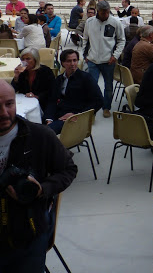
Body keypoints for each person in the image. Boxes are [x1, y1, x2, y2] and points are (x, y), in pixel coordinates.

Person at [0, 81, 78, 273]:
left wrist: (43, 189)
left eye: (9, 104)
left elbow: (68, 169)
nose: (3, 112)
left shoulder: (41, 136)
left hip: (29, 231)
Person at [82, 0, 125, 118]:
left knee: (108, 86)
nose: (105, 15)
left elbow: (121, 40)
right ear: (98, 11)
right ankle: (92, 110)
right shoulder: (90, 22)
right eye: (103, 12)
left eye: (107, 12)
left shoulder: (115, 22)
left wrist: (115, 56)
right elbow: (85, 39)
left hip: (108, 61)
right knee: (92, 86)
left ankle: (106, 107)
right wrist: (84, 55)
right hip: (92, 60)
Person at [45, 49, 103, 134]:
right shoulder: (59, 79)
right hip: (58, 114)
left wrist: (77, 114)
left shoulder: (86, 78)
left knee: (45, 133)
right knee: (34, 127)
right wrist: (49, 119)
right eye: (69, 61)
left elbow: (99, 101)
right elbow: (52, 100)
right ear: (62, 63)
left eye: (75, 60)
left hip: (74, 117)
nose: (72, 64)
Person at [11, 47, 55, 112]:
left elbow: (51, 90)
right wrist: (16, 77)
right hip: (25, 103)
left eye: (28, 59)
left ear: (35, 60)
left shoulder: (45, 71)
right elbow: (13, 90)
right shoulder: (22, 72)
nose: (25, 61)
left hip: (42, 104)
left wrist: (37, 96)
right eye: (23, 59)